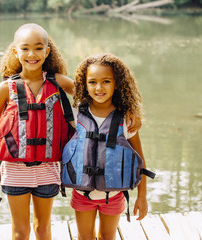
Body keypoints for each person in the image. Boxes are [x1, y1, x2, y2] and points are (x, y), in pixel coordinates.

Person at [0, 23, 141, 240]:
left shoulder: (58, 83)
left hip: (48, 169)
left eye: (38, 48)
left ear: (47, 51)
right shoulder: (5, 89)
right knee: (19, 232)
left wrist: (130, 110)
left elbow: (96, 94)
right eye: (25, 48)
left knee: (43, 229)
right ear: (15, 51)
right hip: (14, 171)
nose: (32, 54)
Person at [68, 53, 148, 240]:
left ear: (117, 84)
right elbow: (59, 80)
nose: (99, 88)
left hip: (113, 195)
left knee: (107, 237)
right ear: (84, 85)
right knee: (84, 237)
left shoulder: (127, 120)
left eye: (106, 81)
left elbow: (140, 159)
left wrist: (142, 197)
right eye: (92, 82)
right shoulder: (75, 113)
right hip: (82, 193)